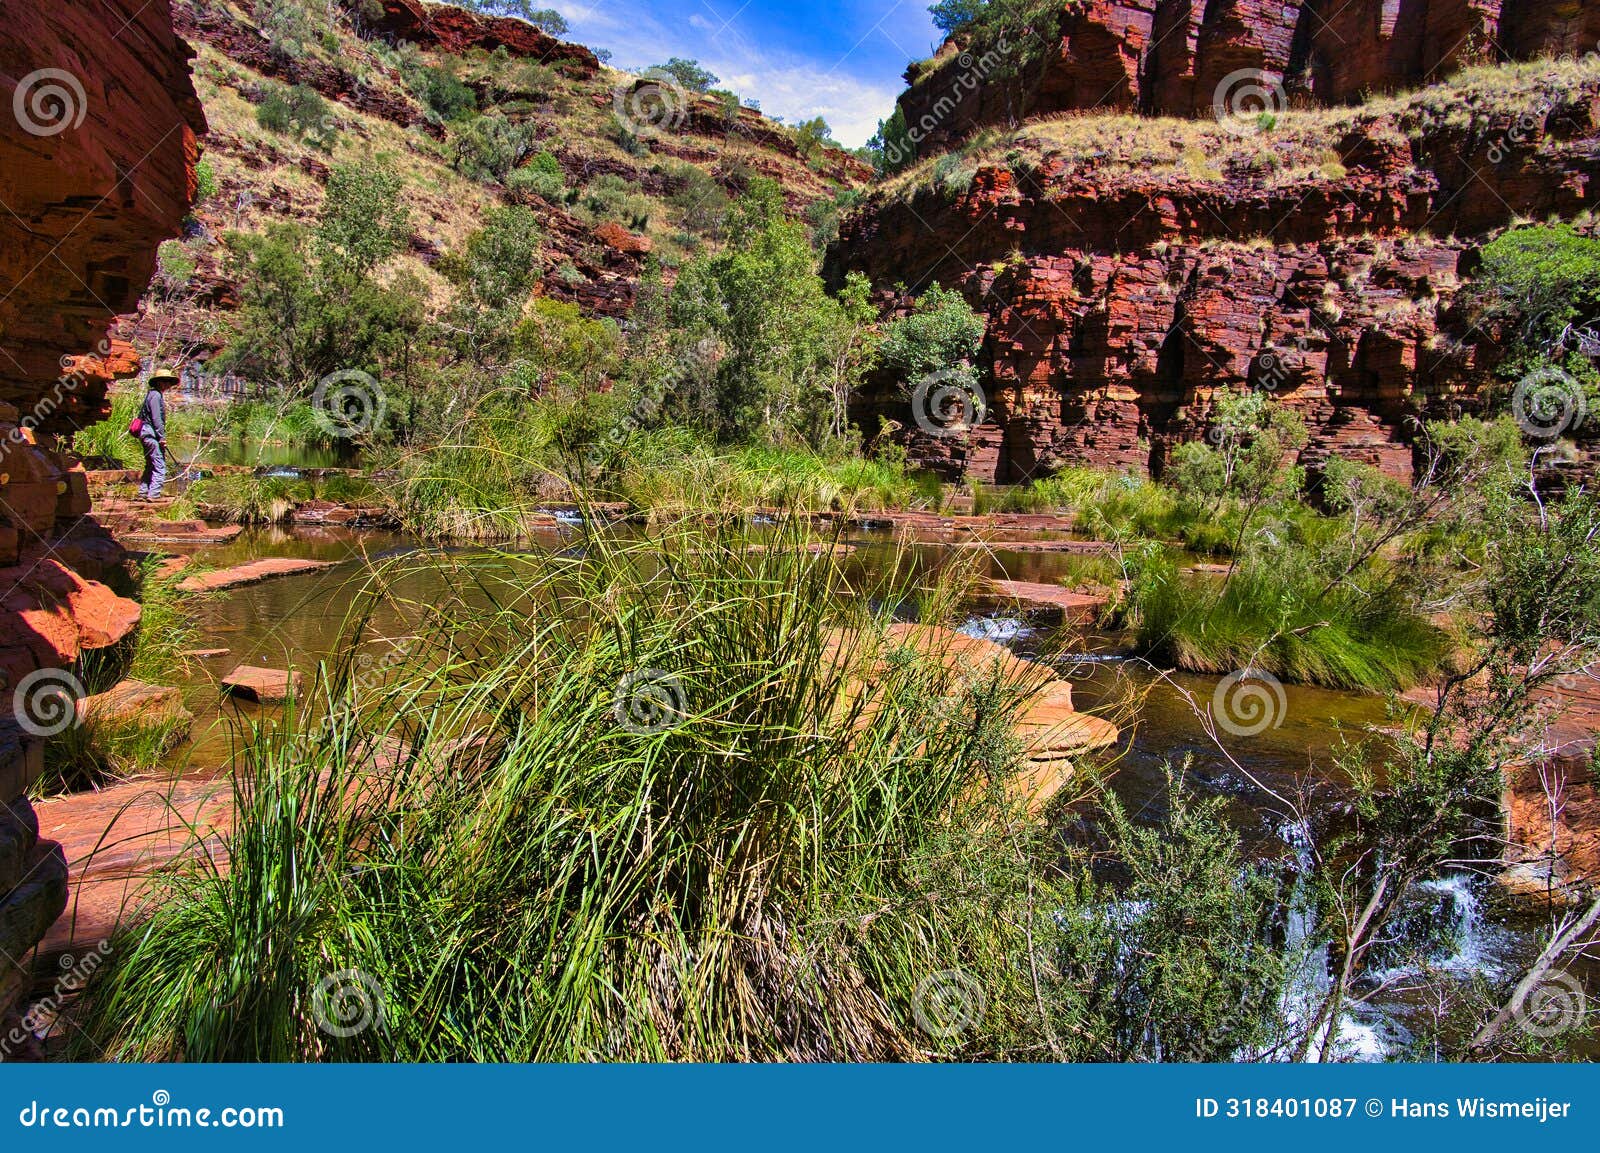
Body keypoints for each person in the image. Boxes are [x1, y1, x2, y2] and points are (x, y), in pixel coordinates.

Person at [134, 367, 179, 501]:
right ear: (159, 382)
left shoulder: (152, 394)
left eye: (169, 382)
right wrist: (161, 437)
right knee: (160, 466)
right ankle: (153, 494)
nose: (168, 385)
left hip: (146, 434)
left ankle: (143, 492)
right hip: (150, 435)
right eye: (165, 381)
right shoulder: (156, 395)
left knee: (150, 464)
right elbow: (156, 419)